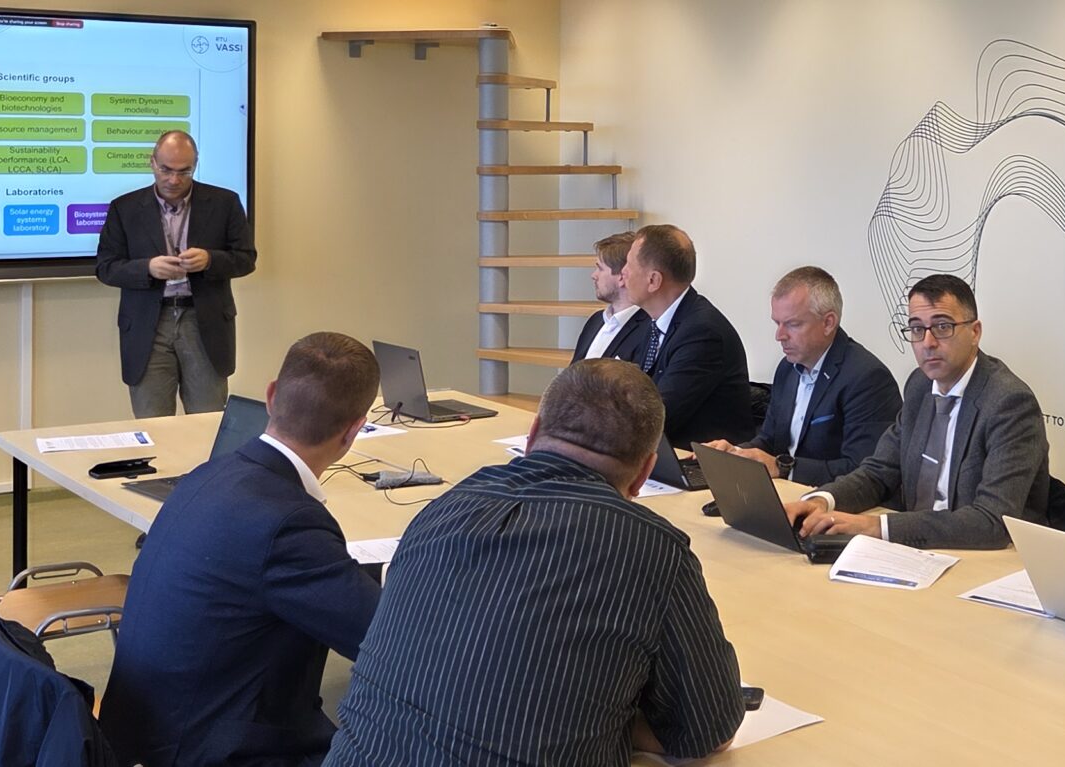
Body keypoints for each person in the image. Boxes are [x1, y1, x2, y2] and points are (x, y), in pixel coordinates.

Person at [323, 358, 745, 767]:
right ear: (644, 472)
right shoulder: (652, 549)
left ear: (533, 434)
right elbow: (706, 731)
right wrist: (617, 721)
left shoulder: (444, 508)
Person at [98, 332, 388, 767]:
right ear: (353, 431)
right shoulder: (289, 522)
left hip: (141, 735)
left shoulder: (208, 475)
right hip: (211, 752)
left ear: (271, 396)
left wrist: (381, 574)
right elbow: (385, 639)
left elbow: (303, 575)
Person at [785, 274, 1052, 549]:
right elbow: (879, 471)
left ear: (975, 332)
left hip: (989, 558)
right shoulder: (919, 385)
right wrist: (822, 501)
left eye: (943, 327)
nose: (928, 342)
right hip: (917, 549)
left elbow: (992, 522)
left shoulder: (1009, 403)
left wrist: (876, 527)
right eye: (916, 329)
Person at [97, 130, 257, 417]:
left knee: (207, 420)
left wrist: (210, 260)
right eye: (166, 170)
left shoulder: (224, 203)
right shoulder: (125, 208)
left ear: (195, 165)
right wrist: (147, 268)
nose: (174, 180)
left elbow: (246, 259)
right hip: (148, 324)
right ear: (152, 163)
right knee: (152, 422)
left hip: (203, 321)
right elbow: (106, 267)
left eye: (184, 171)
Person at [702, 266, 897, 485]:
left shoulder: (867, 378)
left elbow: (862, 471)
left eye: (792, 324)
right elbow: (769, 441)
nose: (779, 335)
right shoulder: (787, 368)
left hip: (829, 499)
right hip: (784, 491)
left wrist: (783, 467)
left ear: (828, 323)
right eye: (777, 323)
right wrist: (735, 453)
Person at [616, 224, 753, 447]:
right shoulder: (654, 321)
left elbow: (657, 419)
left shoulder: (703, 333)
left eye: (629, 265)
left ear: (653, 281)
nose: (622, 273)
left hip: (700, 462)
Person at [568, 231, 646, 363]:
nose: (594, 275)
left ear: (622, 276)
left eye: (600, 268)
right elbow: (573, 372)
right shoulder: (595, 320)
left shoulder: (647, 331)